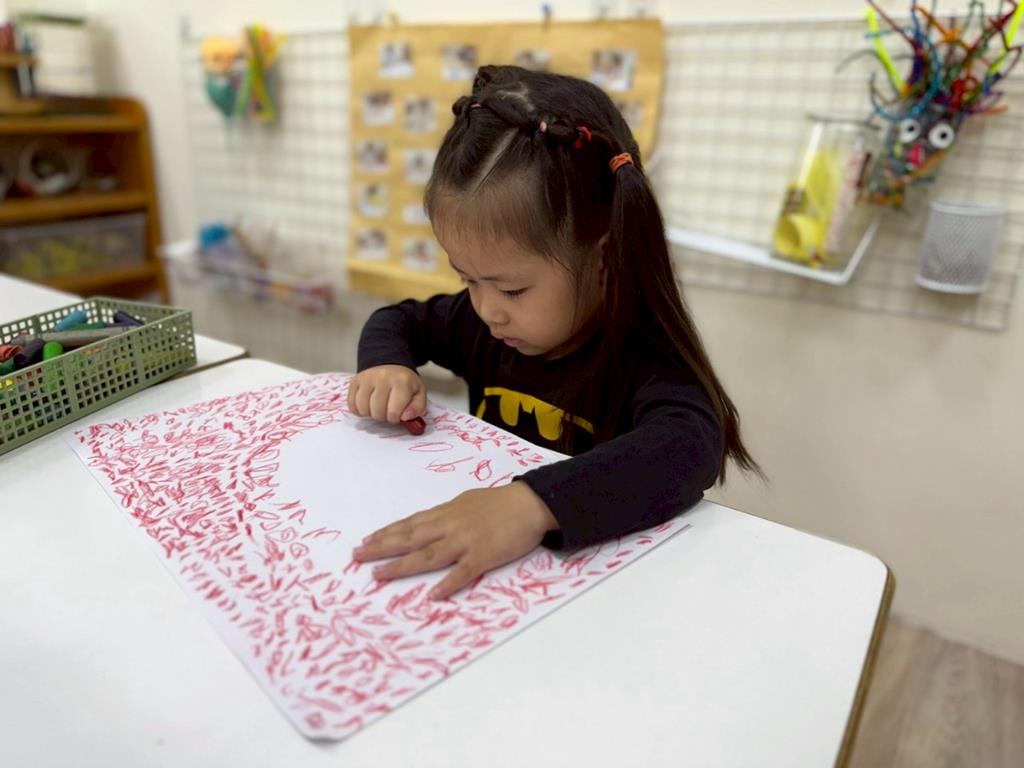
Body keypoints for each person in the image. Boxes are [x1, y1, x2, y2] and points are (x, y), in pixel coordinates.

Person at [349, 65, 759, 599]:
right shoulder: (485, 321)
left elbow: (687, 449)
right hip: (498, 582)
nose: (487, 310)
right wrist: (386, 364)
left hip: (608, 590)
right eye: (466, 279)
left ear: (604, 255)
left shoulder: (641, 356)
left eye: (512, 290)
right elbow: (396, 320)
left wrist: (530, 505)